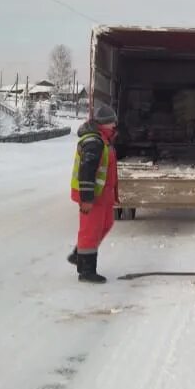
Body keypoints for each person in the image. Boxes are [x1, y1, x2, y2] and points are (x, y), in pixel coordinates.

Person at [66, 104, 119, 283]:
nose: (115, 126)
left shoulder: (103, 139)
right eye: (112, 122)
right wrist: (87, 198)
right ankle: (86, 271)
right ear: (105, 123)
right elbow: (86, 171)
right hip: (92, 197)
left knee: (107, 224)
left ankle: (79, 255)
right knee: (91, 231)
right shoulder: (94, 142)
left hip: (102, 195)